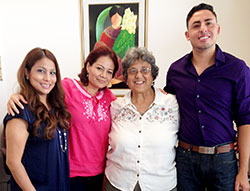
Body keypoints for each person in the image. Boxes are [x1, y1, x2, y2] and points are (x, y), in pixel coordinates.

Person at [7, 45, 119, 191]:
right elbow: (42, 91)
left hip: (98, 173)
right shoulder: (68, 87)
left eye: (109, 72)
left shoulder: (111, 99)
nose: (103, 75)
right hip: (69, 172)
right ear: (88, 66)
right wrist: (17, 96)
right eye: (99, 68)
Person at [164, 3, 250, 191]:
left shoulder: (237, 69)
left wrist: (243, 171)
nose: (203, 28)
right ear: (187, 35)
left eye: (208, 23)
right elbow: (167, 107)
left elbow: (246, 120)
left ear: (217, 29)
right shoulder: (175, 70)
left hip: (224, 161)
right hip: (185, 159)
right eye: (196, 25)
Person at [105, 47, 179, 191]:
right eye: (132, 71)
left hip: (162, 185)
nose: (139, 75)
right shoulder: (115, 107)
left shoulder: (172, 105)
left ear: (153, 76)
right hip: (118, 183)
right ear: (126, 78)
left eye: (145, 70)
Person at [3, 47, 71, 191]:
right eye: (41, 71)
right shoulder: (20, 111)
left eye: (52, 73)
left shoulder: (56, 107)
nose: (47, 78)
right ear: (27, 73)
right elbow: (13, 162)